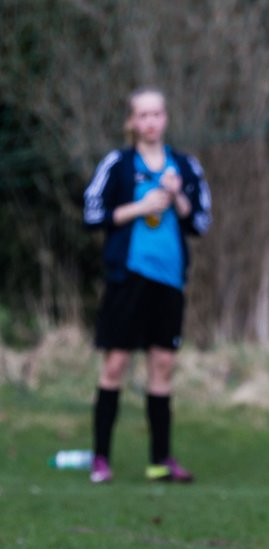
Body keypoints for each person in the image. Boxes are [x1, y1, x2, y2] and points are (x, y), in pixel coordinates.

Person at [83, 87, 211, 485]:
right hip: (127, 278)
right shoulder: (117, 164)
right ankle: (101, 458)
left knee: (163, 366)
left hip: (169, 281)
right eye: (143, 115)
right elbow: (92, 212)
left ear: (166, 118)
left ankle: (160, 461)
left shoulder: (185, 167)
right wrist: (142, 207)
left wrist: (177, 198)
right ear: (132, 122)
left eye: (157, 114)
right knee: (116, 364)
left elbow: (200, 223)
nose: (151, 121)